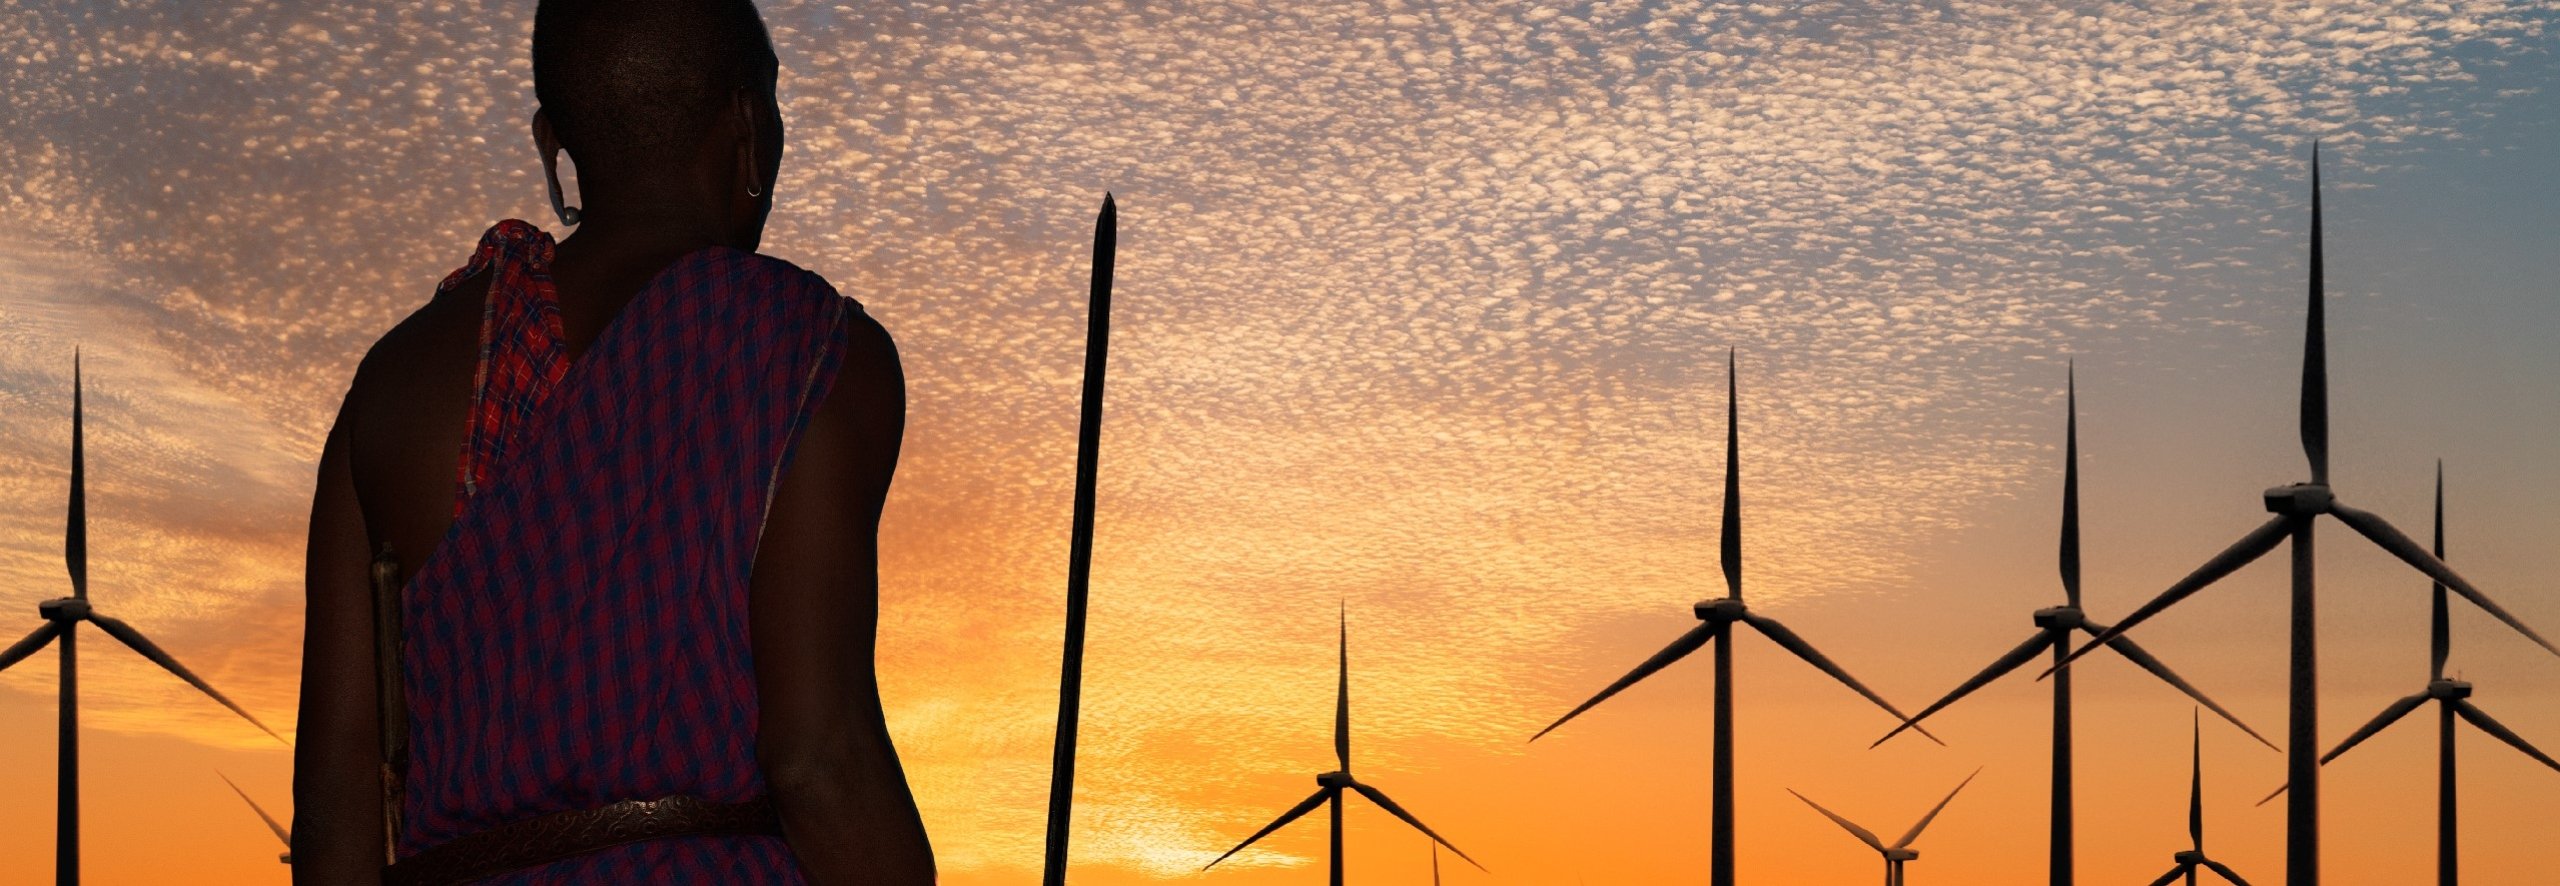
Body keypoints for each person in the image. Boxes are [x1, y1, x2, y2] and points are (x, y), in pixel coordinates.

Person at [291, 0, 933, 881]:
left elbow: (336, 807)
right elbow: (819, 759)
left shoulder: (397, 380)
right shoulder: (809, 343)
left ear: (553, 141)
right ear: (750, 124)